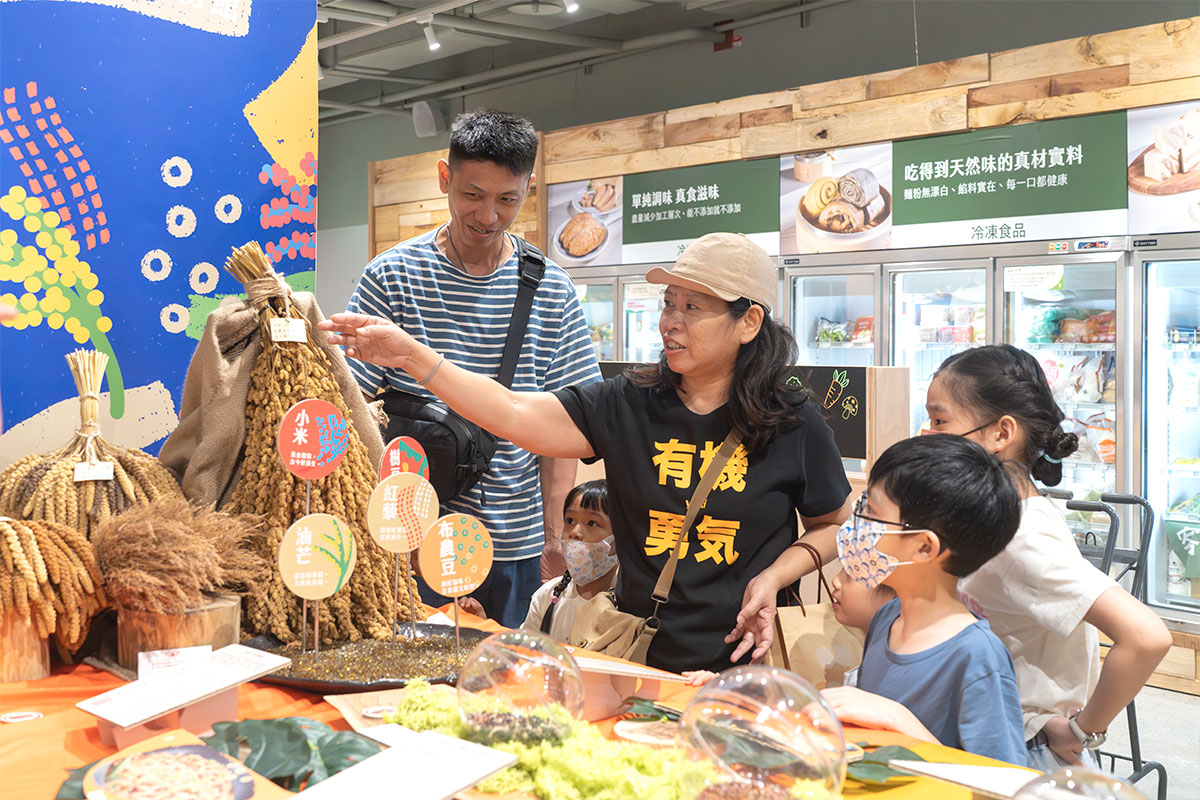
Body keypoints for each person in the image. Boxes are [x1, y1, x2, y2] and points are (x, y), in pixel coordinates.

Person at [320, 232, 853, 673]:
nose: (672, 321)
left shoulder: (793, 421)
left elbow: (833, 524)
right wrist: (413, 356)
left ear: (749, 323)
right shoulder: (629, 402)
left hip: (745, 668)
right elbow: (511, 413)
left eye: (694, 307)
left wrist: (776, 575)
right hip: (637, 657)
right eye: (669, 304)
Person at [343, 109, 602, 628]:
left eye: (507, 199)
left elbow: (567, 429)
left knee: (508, 683)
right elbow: (353, 411)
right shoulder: (392, 276)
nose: (488, 215)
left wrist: (556, 538)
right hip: (409, 543)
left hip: (514, 547)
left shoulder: (550, 289)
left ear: (528, 187)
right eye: (472, 195)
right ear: (445, 178)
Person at [928, 344, 1172, 770]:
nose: (926, 434)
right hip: (997, 740)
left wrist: (1082, 730)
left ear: (1001, 433)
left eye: (939, 420)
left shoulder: (1020, 535)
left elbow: (1147, 636)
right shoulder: (1002, 516)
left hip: (1028, 754)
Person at [821, 435, 1027, 766]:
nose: (857, 525)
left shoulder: (977, 656)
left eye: (871, 512)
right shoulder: (888, 617)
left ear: (923, 547)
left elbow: (1003, 782)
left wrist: (897, 719)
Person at [522, 479, 617, 641]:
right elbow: (524, 651)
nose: (574, 532)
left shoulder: (627, 606)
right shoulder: (548, 595)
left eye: (592, 523)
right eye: (570, 521)